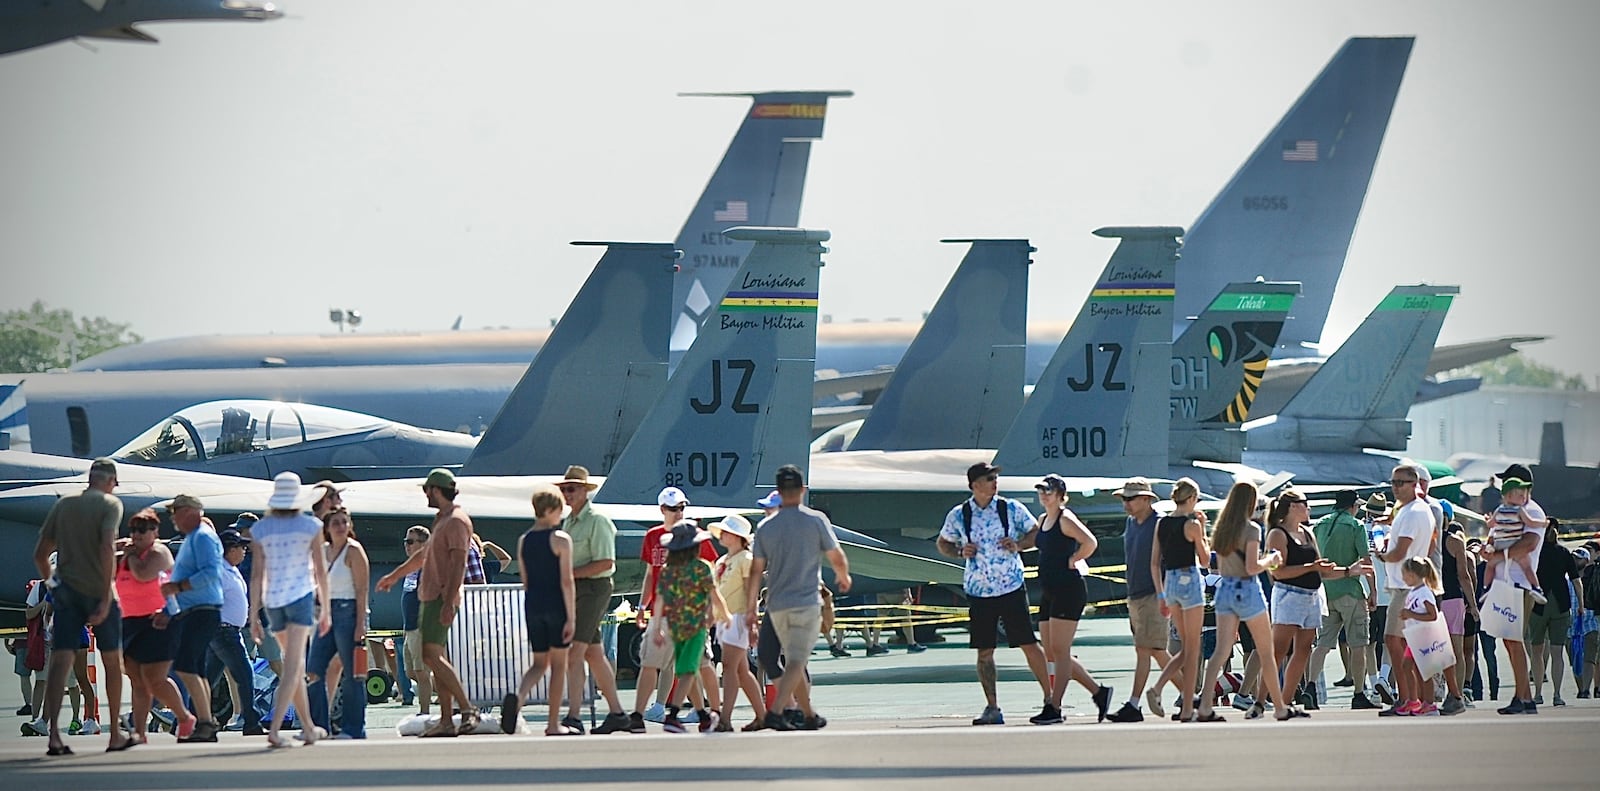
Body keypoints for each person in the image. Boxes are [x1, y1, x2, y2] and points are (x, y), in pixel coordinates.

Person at [936, 462, 1050, 726]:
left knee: (1028, 643)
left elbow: (1035, 532)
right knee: (984, 651)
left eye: (995, 477)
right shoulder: (960, 514)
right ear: (975, 485)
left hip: (1010, 585)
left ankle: (1050, 699)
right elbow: (943, 542)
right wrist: (959, 552)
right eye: (989, 478)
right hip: (978, 590)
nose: (994, 482)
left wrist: (1019, 544)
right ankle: (992, 706)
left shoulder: (1010, 509)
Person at [376, 469, 483, 737]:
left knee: (431, 656)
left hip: (440, 598)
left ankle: (467, 709)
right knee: (433, 657)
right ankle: (446, 719)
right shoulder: (442, 520)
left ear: (435, 490)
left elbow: (459, 562)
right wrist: (394, 575)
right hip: (431, 597)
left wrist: (448, 602)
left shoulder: (456, 521)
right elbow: (424, 554)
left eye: (427, 490)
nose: (425, 494)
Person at [31, 456, 127, 755]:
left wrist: (53, 585)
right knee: (112, 661)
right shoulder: (111, 505)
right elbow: (106, 547)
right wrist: (105, 595)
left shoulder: (63, 505)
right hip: (99, 590)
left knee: (60, 661)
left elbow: (40, 554)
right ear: (110, 481)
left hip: (67, 592)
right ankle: (114, 735)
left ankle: (54, 736)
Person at [748, 464, 851, 731]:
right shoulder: (816, 520)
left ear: (779, 492)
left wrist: (750, 609)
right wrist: (843, 576)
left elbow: (756, 570)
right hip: (805, 601)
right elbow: (836, 555)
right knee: (796, 660)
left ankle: (808, 714)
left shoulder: (765, 527)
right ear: (802, 490)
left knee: (787, 660)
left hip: (777, 604)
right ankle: (777, 710)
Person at [1195, 482, 1296, 723]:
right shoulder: (1251, 529)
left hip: (1225, 589)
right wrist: (1270, 559)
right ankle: (1279, 706)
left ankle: (1205, 703)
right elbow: (1252, 567)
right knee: (1265, 650)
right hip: (1247, 589)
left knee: (1221, 651)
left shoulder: (1221, 529)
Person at [249, 472, 332, 748]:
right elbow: (320, 571)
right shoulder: (311, 526)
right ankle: (274, 730)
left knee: (293, 665)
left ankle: (308, 727)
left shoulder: (261, 529)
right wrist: (326, 608)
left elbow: (257, 575)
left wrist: (252, 616)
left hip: (273, 602)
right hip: (300, 598)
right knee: (294, 666)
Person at [632, 487, 720, 730]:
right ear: (662, 510)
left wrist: (711, 611)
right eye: (673, 508)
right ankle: (643, 714)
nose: (679, 512)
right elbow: (651, 576)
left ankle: (712, 710)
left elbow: (711, 577)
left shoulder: (694, 536)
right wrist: (643, 605)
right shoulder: (653, 536)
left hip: (691, 615)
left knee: (698, 665)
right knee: (652, 663)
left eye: (682, 507)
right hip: (665, 614)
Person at [1030, 473, 1114, 725]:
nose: (1044, 496)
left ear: (1060, 495)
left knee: (1061, 649)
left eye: (1048, 491)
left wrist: (1073, 559)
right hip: (1048, 589)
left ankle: (1054, 706)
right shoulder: (1043, 519)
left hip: (1068, 588)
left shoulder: (1065, 519)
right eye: (1041, 491)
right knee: (1052, 652)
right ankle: (1099, 693)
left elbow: (1090, 541)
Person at [554, 465, 630, 735]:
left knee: (575, 653)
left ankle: (574, 716)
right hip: (579, 589)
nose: (566, 493)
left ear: (585, 491)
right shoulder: (570, 521)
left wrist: (568, 574)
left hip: (594, 588)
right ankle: (618, 713)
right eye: (564, 489)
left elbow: (606, 562)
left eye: (571, 488)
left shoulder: (597, 521)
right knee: (593, 654)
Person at [500, 485, 578, 736]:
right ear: (551, 510)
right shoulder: (560, 539)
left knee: (538, 663)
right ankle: (553, 723)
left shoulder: (524, 541)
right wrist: (571, 617)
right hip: (556, 603)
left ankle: (518, 697)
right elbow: (566, 581)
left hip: (533, 603)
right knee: (558, 665)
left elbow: (525, 578)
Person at [1259, 489, 1339, 717]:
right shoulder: (1277, 534)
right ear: (1293, 506)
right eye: (1305, 503)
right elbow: (1277, 573)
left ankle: (1284, 703)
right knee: (1279, 650)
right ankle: (1260, 700)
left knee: (1303, 650)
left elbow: (1320, 569)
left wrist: (1348, 571)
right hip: (1289, 596)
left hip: (1311, 596)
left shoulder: (1308, 533)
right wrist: (1312, 568)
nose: (1309, 508)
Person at [115, 507, 190, 747]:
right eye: (134, 530)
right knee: (137, 679)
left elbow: (144, 574)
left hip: (159, 621)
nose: (136, 535)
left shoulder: (159, 552)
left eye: (143, 530)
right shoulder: (126, 552)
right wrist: (113, 549)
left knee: (155, 679)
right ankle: (139, 732)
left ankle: (184, 717)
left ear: (155, 531)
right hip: (130, 621)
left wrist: (129, 556)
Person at [158, 494, 227, 743]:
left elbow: (210, 572)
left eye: (176, 511)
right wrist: (169, 611)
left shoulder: (202, 537)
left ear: (189, 511)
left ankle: (205, 722)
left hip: (202, 611)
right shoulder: (194, 538)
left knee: (186, 666)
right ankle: (206, 723)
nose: (173, 517)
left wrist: (179, 587)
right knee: (195, 669)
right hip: (195, 611)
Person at [654, 522, 730, 733]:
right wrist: (726, 617)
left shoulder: (668, 571)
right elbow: (715, 596)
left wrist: (656, 628)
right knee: (689, 670)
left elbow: (659, 600)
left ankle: (703, 715)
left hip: (675, 626)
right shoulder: (702, 567)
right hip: (696, 626)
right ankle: (673, 715)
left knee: (689, 668)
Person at [1484, 463, 1547, 715]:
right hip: (1505, 582)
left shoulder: (1530, 509)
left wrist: (1498, 556)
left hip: (1518, 583)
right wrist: (1488, 548)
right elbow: (1497, 535)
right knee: (1510, 642)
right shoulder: (1511, 510)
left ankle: (1524, 698)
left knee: (1514, 640)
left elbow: (1530, 544)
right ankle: (1524, 695)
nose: (1503, 486)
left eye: (1508, 482)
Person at [1105, 477, 1170, 723]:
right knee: (1152, 651)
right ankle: (1192, 697)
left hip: (1154, 594)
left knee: (1149, 650)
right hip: (1136, 594)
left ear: (1146, 499)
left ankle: (1135, 704)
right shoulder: (1131, 524)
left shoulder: (1159, 524)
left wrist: (1164, 594)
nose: (1126, 503)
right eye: (1124, 499)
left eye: (1130, 499)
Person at [1309, 489, 1377, 710]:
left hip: (1325, 590)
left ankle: (1310, 687)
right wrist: (1373, 592)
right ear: (1353, 506)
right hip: (1350, 589)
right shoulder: (1355, 526)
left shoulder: (1319, 525)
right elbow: (1366, 561)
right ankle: (1358, 693)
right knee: (1358, 644)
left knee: (1322, 644)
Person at [306, 507, 370, 739]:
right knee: (313, 670)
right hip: (327, 612)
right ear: (327, 527)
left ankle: (354, 728)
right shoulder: (323, 551)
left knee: (353, 674)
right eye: (336, 523)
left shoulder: (354, 551)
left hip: (349, 610)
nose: (341, 526)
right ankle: (319, 726)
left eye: (345, 522)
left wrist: (360, 623)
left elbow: (362, 589)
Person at [1151, 478, 1208, 722]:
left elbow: (1155, 562)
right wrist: (1203, 529)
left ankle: (1161, 688)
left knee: (1186, 647)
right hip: (1189, 579)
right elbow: (1205, 560)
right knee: (1193, 648)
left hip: (1170, 582)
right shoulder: (1192, 524)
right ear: (1192, 499)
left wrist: (1161, 593)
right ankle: (1185, 706)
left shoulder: (1162, 523)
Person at [710, 514, 766, 732]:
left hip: (739, 616)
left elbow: (750, 590)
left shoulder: (746, 559)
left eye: (726, 531)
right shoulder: (722, 561)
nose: (722, 534)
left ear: (738, 537)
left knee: (730, 668)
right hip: (725, 619)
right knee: (741, 670)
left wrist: (752, 618)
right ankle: (761, 715)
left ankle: (725, 719)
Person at [210, 528, 263, 735]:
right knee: (245, 674)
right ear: (229, 549)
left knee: (207, 678)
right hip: (224, 631)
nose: (243, 551)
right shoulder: (221, 571)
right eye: (240, 547)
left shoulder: (231, 569)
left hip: (229, 630)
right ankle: (251, 721)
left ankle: (189, 718)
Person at [1528, 521, 1582, 707]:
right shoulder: (1564, 552)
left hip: (1538, 605)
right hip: (1561, 604)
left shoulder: (1534, 552)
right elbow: (1576, 581)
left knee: (1536, 651)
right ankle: (1557, 694)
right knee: (1557, 652)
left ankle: (1537, 693)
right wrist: (1580, 605)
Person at [1436, 520, 1476, 714]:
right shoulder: (1455, 541)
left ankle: (1434, 692)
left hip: (1433, 598)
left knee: (1435, 650)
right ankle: (1456, 695)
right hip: (1454, 599)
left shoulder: (1425, 540)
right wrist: (1473, 605)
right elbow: (1464, 575)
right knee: (1457, 651)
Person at [1483, 477, 1546, 600]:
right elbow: (1531, 522)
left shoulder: (1499, 509)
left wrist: (1487, 520)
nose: (1523, 497)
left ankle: (1486, 587)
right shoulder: (1519, 510)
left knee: (1490, 565)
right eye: (1520, 494)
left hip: (1501, 544)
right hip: (1513, 541)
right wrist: (1543, 523)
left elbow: (1491, 524)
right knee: (1526, 565)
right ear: (1509, 495)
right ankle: (1536, 587)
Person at [1397, 556, 1445, 716]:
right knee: (1408, 666)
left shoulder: (1424, 592)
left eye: (1404, 574)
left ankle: (1429, 703)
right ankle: (1414, 700)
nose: (1403, 578)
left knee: (1424, 670)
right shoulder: (1414, 592)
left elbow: (1433, 615)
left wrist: (1410, 614)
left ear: (1413, 574)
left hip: (1423, 636)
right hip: (1414, 636)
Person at [398, 526, 433, 716]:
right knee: (411, 672)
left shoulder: (427, 566)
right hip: (409, 628)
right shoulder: (411, 568)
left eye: (411, 542)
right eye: (406, 541)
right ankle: (445, 686)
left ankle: (424, 711)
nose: (407, 545)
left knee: (421, 672)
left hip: (420, 628)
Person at [1578, 546, 1600, 698]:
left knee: (1591, 657)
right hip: (1586, 619)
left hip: (1593, 617)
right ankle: (1587, 689)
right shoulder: (1581, 573)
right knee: (1586, 657)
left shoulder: (1594, 571)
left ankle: (1590, 688)